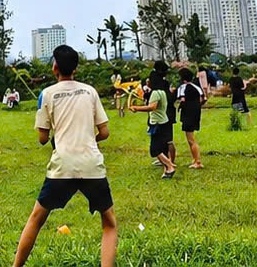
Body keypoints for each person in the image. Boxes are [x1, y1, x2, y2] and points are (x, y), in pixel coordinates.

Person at [11, 44, 116, 267]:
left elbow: (42, 138)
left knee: (36, 219)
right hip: (91, 164)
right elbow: (104, 132)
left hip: (62, 166)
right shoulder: (90, 91)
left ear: (54, 67)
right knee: (109, 224)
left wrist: (55, 137)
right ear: (76, 69)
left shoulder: (46, 94)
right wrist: (89, 140)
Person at [131, 69, 176, 178]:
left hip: (157, 124)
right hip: (163, 122)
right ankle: (167, 170)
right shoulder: (162, 92)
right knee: (162, 148)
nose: (147, 82)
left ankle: (169, 166)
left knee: (154, 149)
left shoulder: (155, 93)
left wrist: (136, 108)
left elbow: (152, 107)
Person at [176, 68, 205, 168]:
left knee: (191, 139)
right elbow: (203, 99)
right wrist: (196, 105)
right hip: (196, 113)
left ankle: (198, 162)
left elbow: (182, 99)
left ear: (182, 79)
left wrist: (182, 106)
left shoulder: (182, 87)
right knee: (192, 137)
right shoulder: (196, 87)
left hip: (187, 114)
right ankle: (195, 159)